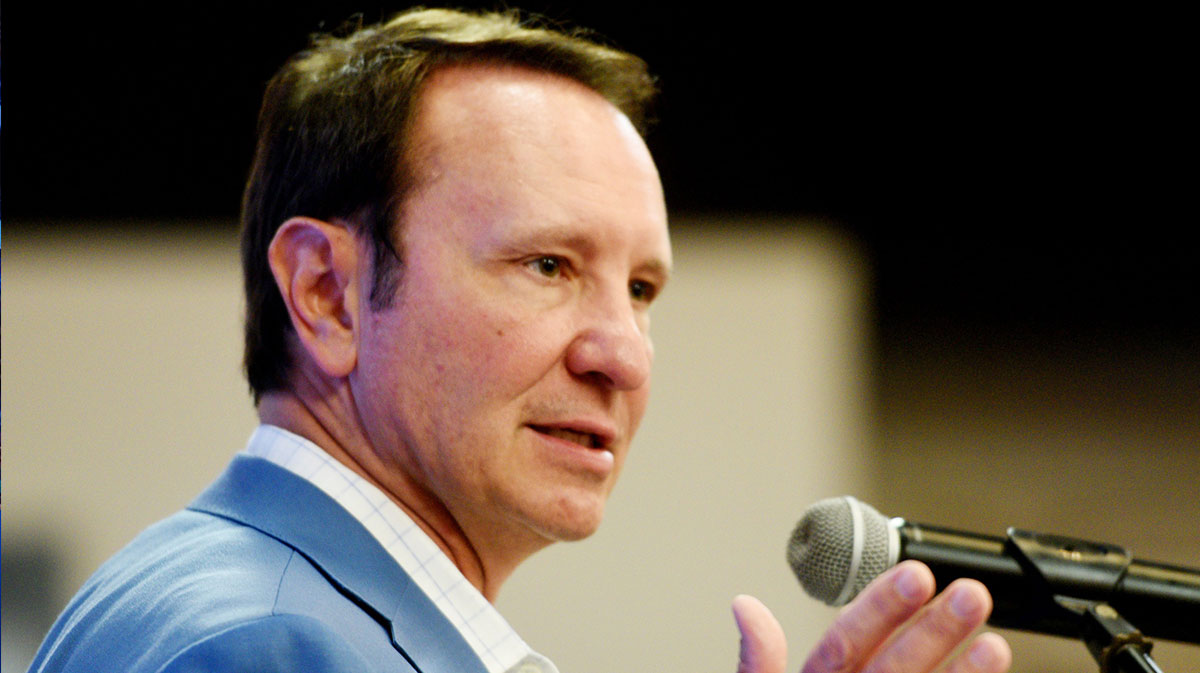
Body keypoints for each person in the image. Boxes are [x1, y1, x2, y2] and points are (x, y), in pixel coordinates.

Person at [29, 8, 1012, 673]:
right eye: (547, 265)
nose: (623, 356)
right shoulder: (272, 646)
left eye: (641, 288)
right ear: (327, 294)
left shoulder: (242, 598)